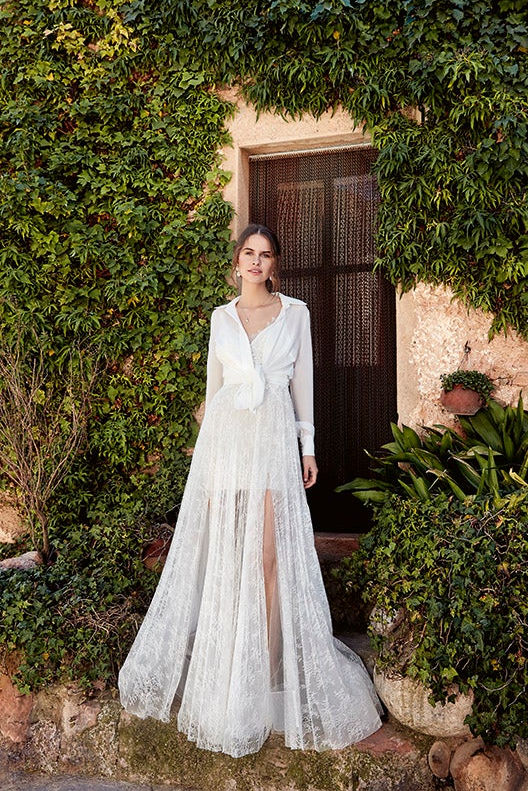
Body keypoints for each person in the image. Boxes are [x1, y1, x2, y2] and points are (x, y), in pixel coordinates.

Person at [118, 224, 383, 758]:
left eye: (265, 255)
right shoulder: (220, 318)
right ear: (237, 262)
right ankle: (232, 667)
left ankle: (268, 667)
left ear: (274, 265)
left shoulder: (297, 313)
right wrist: (206, 463)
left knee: (269, 556)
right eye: (249, 253)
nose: (257, 262)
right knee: (228, 556)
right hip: (229, 445)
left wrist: (308, 448)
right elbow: (213, 392)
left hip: (273, 443)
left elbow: (302, 384)